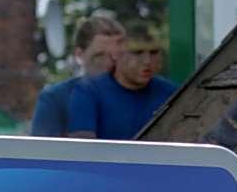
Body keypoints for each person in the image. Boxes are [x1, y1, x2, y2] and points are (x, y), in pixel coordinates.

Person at [31, 15, 174, 139]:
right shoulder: (56, 98)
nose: (109, 63)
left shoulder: (157, 91)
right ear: (79, 55)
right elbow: (43, 158)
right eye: (99, 56)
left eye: (116, 55)